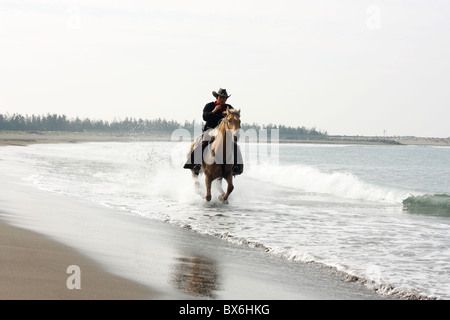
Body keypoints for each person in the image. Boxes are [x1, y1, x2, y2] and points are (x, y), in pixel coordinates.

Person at [183, 88, 243, 176]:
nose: (222, 99)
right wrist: (214, 111)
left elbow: (235, 120)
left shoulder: (229, 108)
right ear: (217, 97)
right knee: (203, 142)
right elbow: (205, 117)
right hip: (210, 130)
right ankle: (196, 164)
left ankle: (237, 167)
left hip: (224, 133)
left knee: (234, 145)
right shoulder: (209, 105)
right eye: (221, 97)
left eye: (224, 98)